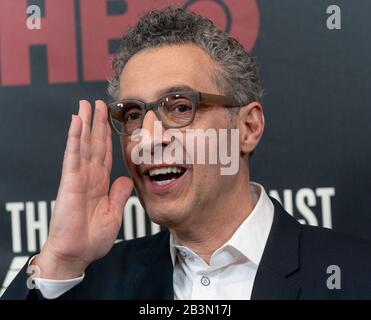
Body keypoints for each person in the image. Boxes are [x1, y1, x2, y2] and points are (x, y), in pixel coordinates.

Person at [3, 6, 371, 300]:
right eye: (133, 115)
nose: (147, 139)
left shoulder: (353, 275)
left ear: (247, 128)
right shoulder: (87, 283)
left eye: (179, 107)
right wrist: (59, 262)